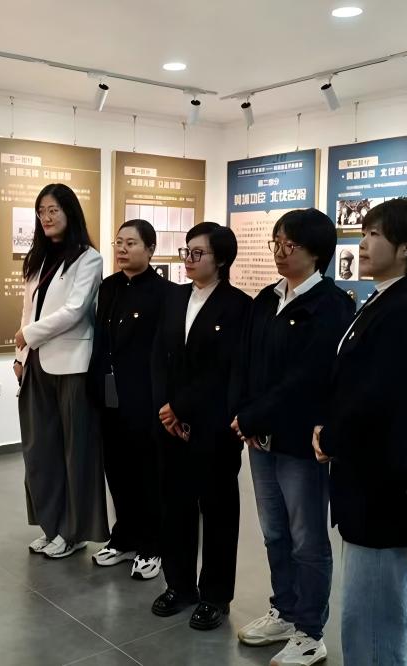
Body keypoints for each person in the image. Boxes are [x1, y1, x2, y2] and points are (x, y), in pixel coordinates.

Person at [312, 197, 407, 666]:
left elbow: (381, 395)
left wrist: (332, 437)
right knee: (364, 602)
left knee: (375, 606)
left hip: (380, 478)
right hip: (361, 471)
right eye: (364, 232)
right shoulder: (381, 299)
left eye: (375, 235)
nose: (362, 243)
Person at [231, 209, 354, 665]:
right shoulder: (267, 298)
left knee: (307, 539)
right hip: (261, 438)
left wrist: (252, 415)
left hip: (301, 441)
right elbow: (246, 361)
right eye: (277, 243)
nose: (280, 252)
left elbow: (307, 378)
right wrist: (243, 414)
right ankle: (284, 610)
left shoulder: (331, 304)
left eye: (291, 245)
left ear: (316, 252)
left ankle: (309, 630)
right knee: (274, 532)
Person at [150, 222, 252, 630]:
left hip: (213, 425)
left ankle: (215, 595)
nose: (189, 260)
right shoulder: (175, 298)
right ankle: (179, 585)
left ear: (221, 259)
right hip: (170, 424)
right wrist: (164, 407)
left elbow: (223, 370)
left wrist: (179, 407)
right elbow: (159, 356)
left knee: (218, 510)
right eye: (186, 252)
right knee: (174, 506)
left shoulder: (238, 306)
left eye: (198, 253)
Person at [15, 183, 108, 559]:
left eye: (53, 210)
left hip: (72, 366)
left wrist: (29, 336)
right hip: (36, 363)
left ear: (70, 212)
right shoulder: (37, 259)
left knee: (75, 453)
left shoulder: (89, 258)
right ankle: (52, 526)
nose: (47, 217)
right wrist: (20, 355)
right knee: (40, 450)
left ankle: (74, 533)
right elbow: (27, 310)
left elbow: (75, 311)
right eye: (41, 211)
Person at [88, 219, 171, 579]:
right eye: (118, 242)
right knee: (117, 469)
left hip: (144, 397)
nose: (122, 249)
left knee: (146, 472)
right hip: (109, 394)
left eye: (131, 243)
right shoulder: (108, 287)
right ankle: (124, 537)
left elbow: (164, 352)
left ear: (150, 249)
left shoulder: (165, 293)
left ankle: (153, 545)